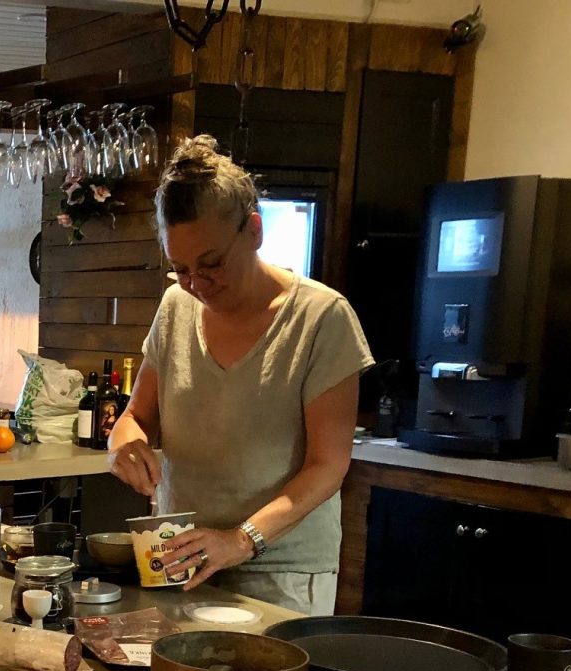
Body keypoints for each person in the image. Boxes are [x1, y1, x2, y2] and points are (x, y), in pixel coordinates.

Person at [109, 135, 373, 616]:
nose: (196, 284)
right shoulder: (175, 307)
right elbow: (135, 418)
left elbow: (328, 467)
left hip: (281, 571)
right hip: (180, 558)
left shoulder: (322, 318)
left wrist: (241, 539)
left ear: (254, 230)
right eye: (180, 268)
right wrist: (124, 446)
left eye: (210, 264)